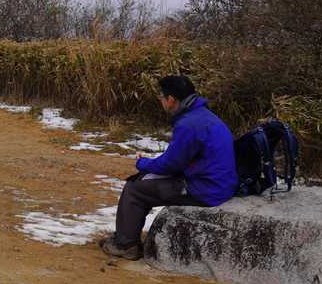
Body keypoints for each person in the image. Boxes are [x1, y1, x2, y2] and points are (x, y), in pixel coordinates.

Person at [99, 75, 237, 260]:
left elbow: (170, 165)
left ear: (171, 99)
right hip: (218, 183)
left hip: (205, 190)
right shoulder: (203, 115)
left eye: (161, 97)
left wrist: (143, 163)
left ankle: (125, 245)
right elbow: (178, 159)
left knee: (134, 189)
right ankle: (126, 238)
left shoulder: (189, 124)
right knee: (144, 180)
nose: (161, 101)